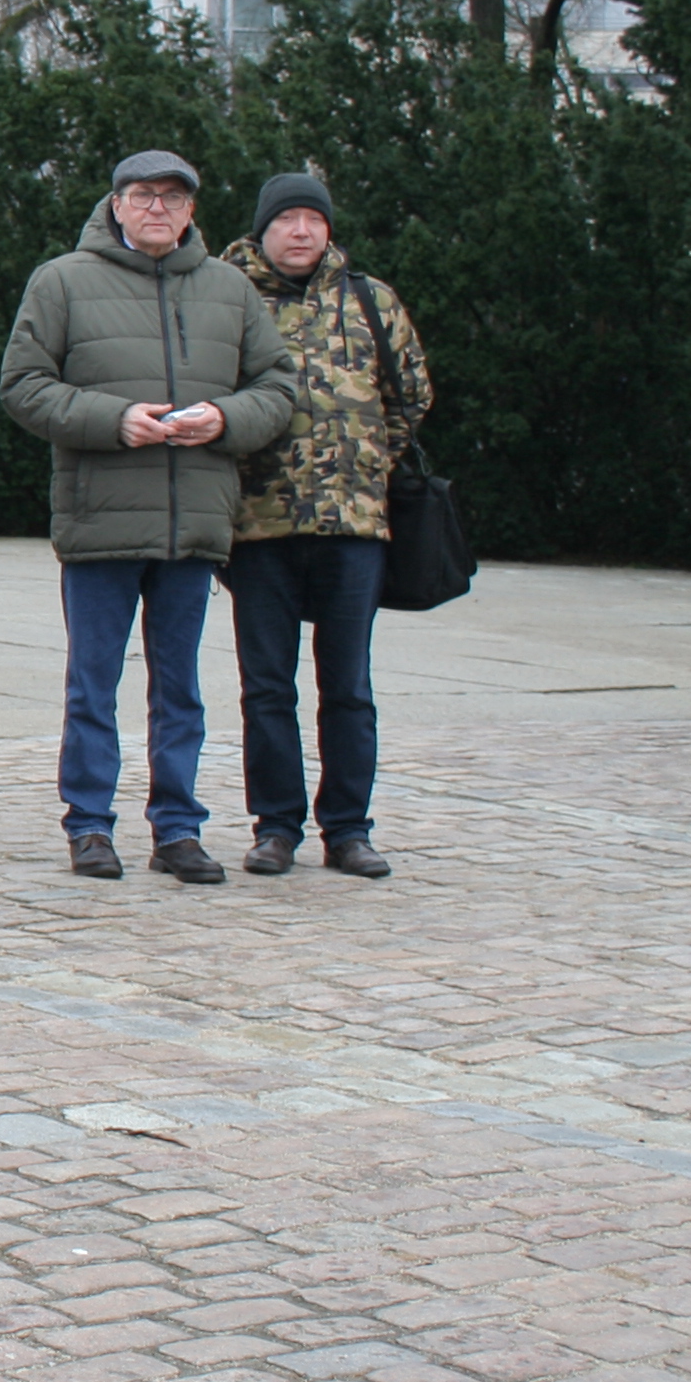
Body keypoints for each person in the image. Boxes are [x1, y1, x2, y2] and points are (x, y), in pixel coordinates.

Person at [1, 151, 296, 884]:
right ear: (117, 205)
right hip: (101, 519)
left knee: (181, 689)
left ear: (192, 211)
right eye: (143, 195)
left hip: (192, 521)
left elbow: (278, 385)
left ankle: (177, 828)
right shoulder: (63, 280)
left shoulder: (229, 289)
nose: (158, 208)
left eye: (173, 197)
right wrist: (115, 419)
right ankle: (91, 825)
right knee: (93, 684)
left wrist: (225, 418)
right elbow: (23, 385)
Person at [222, 171, 429, 881]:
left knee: (348, 686)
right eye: (287, 220)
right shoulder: (228, 297)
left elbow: (411, 394)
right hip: (259, 526)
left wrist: (367, 462)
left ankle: (348, 827)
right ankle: (275, 825)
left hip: (352, 525)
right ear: (263, 229)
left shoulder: (371, 300)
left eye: (313, 219)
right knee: (267, 687)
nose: (301, 231)